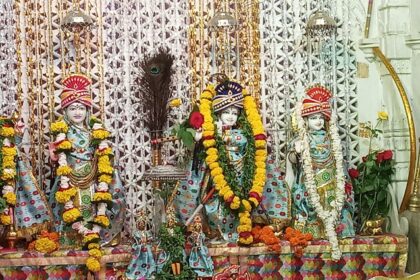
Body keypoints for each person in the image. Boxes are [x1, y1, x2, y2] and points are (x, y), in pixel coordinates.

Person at [173, 81, 290, 244]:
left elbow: (259, 156)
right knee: (216, 208)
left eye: (234, 112)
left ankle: (242, 231)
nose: (230, 116)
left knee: (242, 206)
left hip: (243, 181)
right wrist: (202, 138)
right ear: (218, 113)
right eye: (226, 112)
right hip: (218, 181)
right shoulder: (211, 133)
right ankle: (215, 233)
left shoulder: (246, 135)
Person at [48, 73, 125, 248]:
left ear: (88, 111)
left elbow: (103, 157)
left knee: (99, 203)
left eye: (81, 108)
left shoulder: (95, 132)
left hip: (93, 179)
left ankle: (97, 235)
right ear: (65, 111)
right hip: (70, 179)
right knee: (70, 207)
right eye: (72, 108)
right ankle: (75, 238)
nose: (77, 112)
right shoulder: (62, 133)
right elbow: (58, 159)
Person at [285, 85, 355, 259]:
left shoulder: (333, 140)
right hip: (310, 185)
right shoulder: (302, 139)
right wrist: (296, 152)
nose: (317, 121)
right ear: (305, 121)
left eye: (320, 118)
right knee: (309, 206)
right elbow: (292, 161)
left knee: (335, 207)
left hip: (332, 184)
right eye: (313, 117)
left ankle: (337, 231)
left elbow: (340, 166)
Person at [0, 117, 52, 238]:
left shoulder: (5, 123)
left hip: (7, 167)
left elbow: (13, 145)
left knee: (10, 197)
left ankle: (11, 232)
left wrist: (18, 133)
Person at [126, 210, 156, 279]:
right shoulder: (136, 233)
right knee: (138, 259)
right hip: (139, 250)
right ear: (137, 225)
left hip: (147, 248)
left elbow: (151, 240)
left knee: (150, 257)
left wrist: (148, 241)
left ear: (145, 224)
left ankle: (150, 272)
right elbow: (134, 242)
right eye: (139, 223)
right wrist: (138, 244)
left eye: (142, 223)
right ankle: (138, 272)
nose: (141, 225)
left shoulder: (147, 233)